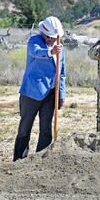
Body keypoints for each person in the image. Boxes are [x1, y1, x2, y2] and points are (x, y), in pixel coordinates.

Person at [13, 16, 65, 161]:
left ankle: (40, 161)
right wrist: (50, 52)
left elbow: (62, 73)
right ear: (43, 33)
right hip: (31, 93)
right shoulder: (34, 41)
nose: (52, 40)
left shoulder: (60, 47)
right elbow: (36, 52)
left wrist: (61, 94)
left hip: (50, 94)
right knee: (25, 128)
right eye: (49, 37)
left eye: (55, 37)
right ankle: (19, 161)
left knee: (46, 129)